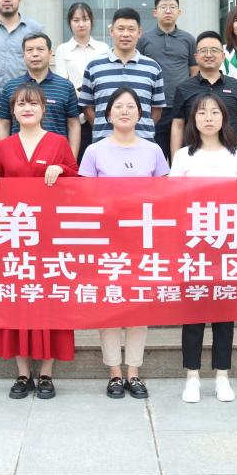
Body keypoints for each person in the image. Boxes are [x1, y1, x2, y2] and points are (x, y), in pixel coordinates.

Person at [0, 84, 79, 400]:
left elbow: (77, 182)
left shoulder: (58, 142)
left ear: (43, 109)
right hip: (15, 237)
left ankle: (47, 373)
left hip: (50, 239)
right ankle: (23, 373)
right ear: (12, 111)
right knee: (18, 301)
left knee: (50, 301)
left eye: (33, 103)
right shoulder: (5, 146)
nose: (27, 108)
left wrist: (61, 169)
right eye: (21, 104)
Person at [79, 87, 169, 399]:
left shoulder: (153, 150)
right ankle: (114, 372)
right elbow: (84, 198)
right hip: (106, 240)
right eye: (118, 106)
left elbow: (165, 195)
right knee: (110, 303)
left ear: (140, 113)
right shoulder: (94, 151)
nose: (125, 111)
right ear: (108, 114)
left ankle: (134, 371)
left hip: (142, 239)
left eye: (131, 106)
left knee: (138, 306)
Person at [170, 94, 237, 402]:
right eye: (202, 113)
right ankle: (192, 377)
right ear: (194, 119)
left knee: (224, 311)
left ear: (224, 118)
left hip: (227, 243)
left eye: (215, 112)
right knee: (193, 312)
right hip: (193, 243)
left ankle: (222, 376)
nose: (208, 118)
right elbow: (172, 198)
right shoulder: (183, 156)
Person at [79, 7, 165, 144]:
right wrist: (107, 128)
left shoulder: (153, 68)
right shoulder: (94, 67)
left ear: (139, 33)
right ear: (112, 32)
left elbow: (157, 110)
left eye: (131, 29)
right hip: (104, 144)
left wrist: (136, 129)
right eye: (120, 29)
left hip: (143, 144)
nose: (125, 34)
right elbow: (87, 107)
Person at [170, 31, 237, 172]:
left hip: (230, 157)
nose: (209, 55)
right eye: (203, 50)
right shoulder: (184, 88)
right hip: (193, 158)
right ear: (196, 56)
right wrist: (175, 161)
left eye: (214, 50)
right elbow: (178, 125)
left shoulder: (236, 86)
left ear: (223, 56)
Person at [0, 32, 80, 157]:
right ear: (23, 55)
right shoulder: (11, 87)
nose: (35, 54)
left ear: (50, 53)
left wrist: (71, 159)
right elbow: (3, 124)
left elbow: (73, 124)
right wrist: (3, 157)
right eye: (29, 50)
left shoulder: (66, 86)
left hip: (56, 157)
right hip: (18, 157)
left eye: (40, 49)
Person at [137, 0, 198, 161]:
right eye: (163, 7)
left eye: (172, 7)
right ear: (155, 12)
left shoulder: (188, 39)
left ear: (179, 12)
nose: (168, 11)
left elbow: (194, 71)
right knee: (155, 158)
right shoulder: (144, 40)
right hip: (155, 108)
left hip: (182, 107)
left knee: (182, 158)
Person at [52, 2, 108, 159]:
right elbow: (63, 82)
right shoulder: (62, 49)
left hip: (100, 109)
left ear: (91, 21)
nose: (81, 24)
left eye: (85, 19)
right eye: (76, 20)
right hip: (75, 111)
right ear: (70, 23)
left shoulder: (103, 48)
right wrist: (84, 100)